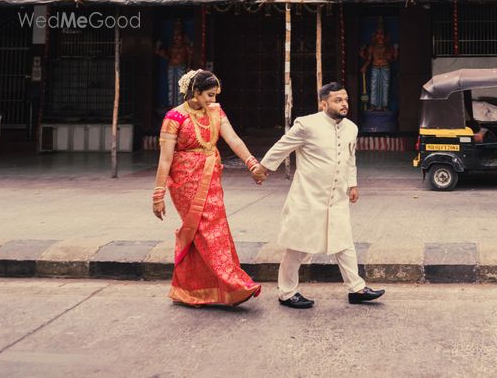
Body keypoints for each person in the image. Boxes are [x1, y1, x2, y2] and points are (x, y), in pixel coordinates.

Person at [253, 82, 385, 309]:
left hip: (337, 197)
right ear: (323, 103)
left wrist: (352, 185)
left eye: (345, 100)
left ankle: (356, 288)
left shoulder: (351, 128)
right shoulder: (307, 125)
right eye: (338, 100)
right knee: (297, 246)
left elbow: (349, 158)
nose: (344, 104)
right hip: (308, 197)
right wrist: (262, 168)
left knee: (344, 242)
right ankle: (286, 293)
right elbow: (282, 146)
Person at [152, 69, 265, 306]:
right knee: (206, 230)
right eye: (209, 95)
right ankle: (232, 283)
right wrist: (158, 194)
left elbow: (233, 139)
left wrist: (252, 163)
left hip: (211, 175)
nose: (212, 100)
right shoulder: (174, 117)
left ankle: (192, 290)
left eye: (214, 95)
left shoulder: (215, 111)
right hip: (185, 180)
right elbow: (165, 159)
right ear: (195, 92)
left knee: (213, 228)